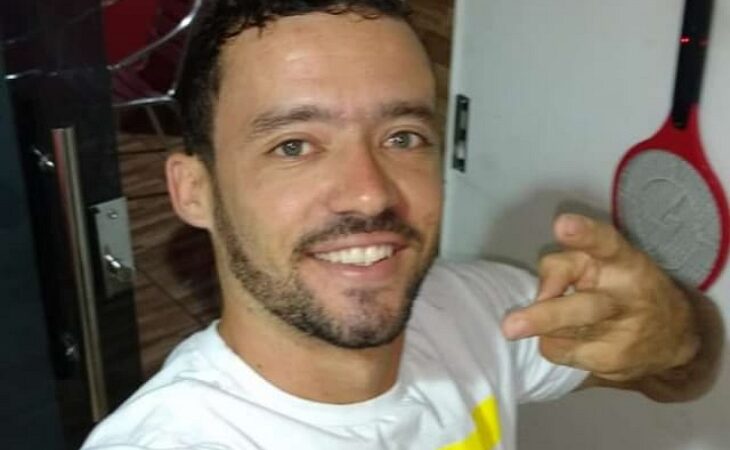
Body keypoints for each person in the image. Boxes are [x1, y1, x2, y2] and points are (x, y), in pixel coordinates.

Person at [82, 0, 722, 448]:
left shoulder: (477, 311)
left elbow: (684, 371)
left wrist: (675, 329)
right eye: (294, 146)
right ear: (193, 190)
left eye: (402, 136)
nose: (368, 193)